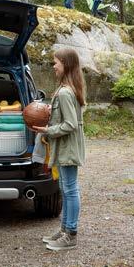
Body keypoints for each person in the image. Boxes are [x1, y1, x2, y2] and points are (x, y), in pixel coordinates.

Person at [30, 48, 86, 251]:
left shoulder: (64, 92)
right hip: (65, 146)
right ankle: (64, 230)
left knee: (70, 189)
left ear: (66, 65)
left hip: (67, 147)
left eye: (56, 63)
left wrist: (48, 129)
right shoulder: (67, 89)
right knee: (65, 188)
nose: (53, 66)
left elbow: (70, 124)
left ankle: (71, 234)